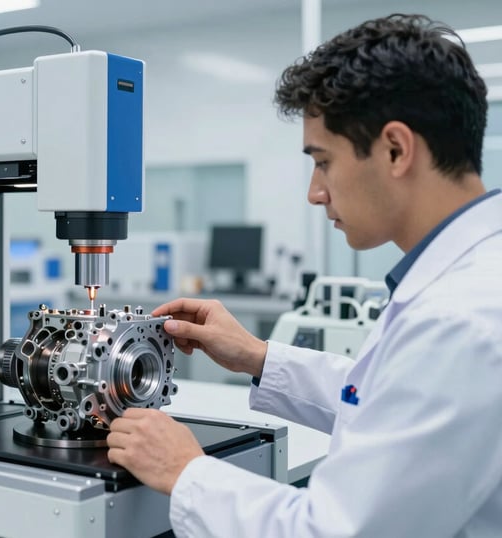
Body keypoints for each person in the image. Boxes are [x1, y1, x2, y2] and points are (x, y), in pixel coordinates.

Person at [106, 13, 502, 537]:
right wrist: (257, 356)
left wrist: (186, 471)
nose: (315, 193)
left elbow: (334, 531)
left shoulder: (459, 319)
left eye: (323, 161)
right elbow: (386, 403)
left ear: (395, 149)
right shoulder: (472, 280)